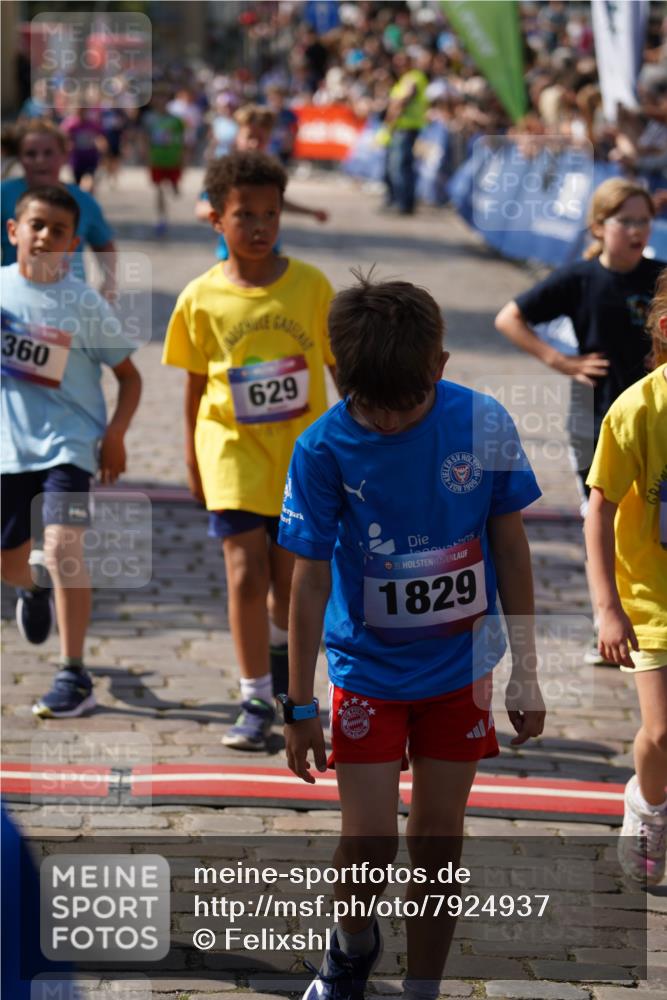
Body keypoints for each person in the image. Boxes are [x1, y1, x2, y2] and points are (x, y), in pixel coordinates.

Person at [278, 273, 545, 999]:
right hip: (365, 670)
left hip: (459, 673)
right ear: (338, 377)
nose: (388, 424)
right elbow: (306, 581)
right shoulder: (322, 447)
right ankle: (350, 945)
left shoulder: (481, 422)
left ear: (439, 368)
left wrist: (526, 669)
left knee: (435, 840)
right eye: (370, 405)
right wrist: (298, 704)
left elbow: (512, 549)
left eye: (406, 405)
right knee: (367, 842)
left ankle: (423, 983)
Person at [162, 151, 335, 751]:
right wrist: (191, 458)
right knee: (243, 570)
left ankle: (290, 683)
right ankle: (255, 694)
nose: (259, 226)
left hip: (300, 460)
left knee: (286, 583)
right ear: (216, 220)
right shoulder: (200, 297)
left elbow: (341, 372)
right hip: (229, 450)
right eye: (244, 215)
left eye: (270, 213)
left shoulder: (312, 286)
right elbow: (191, 384)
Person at [495, 178, 664, 661]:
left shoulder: (661, 277)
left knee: (650, 515)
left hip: (654, 420)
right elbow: (508, 318)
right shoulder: (579, 278)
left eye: (644, 220)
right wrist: (562, 362)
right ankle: (605, 620)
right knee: (603, 516)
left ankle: (646, 610)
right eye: (624, 220)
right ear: (597, 226)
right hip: (594, 419)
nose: (636, 230)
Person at [0, 185, 141, 717]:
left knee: (63, 548)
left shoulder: (83, 302)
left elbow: (129, 377)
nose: (45, 237)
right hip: (9, 450)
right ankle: (32, 589)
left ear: (73, 243)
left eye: (58, 231)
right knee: (11, 563)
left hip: (70, 447)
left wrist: (115, 435)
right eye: (36, 226)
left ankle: (72, 672)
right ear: (13, 231)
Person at [584, 268, 667, 885]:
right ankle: (647, 802)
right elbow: (599, 510)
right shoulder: (637, 409)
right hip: (651, 601)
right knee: (662, 733)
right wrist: (607, 606)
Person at [1, 119, 117, 300]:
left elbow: (104, 245)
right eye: (30, 154)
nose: (40, 160)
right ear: (19, 158)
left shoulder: (83, 201)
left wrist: (109, 283)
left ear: (65, 155)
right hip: (15, 299)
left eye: (49, 153)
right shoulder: (5, 194)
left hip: (69, 302)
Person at [194, 104, 329, 260]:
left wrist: (310, 212)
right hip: (232, 258)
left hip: (269, 255)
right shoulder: (226, 171)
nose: (254, 144)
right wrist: (232, 212)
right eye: (250, 137)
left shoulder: (270, 171)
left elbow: (278, 203)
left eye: (261, 139)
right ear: (237, 135)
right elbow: (201, 209)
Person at [141, 87, 186, 236]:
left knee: (174, 189)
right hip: (157, 159)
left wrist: (183, 158)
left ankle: (175, 185)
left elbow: (183, 140)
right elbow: (145, 138)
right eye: (157, 98)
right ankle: (161, 218)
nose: (160, 101)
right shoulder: (149, 119)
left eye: (163, 98)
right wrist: (146, 156)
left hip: (173, 159)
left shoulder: (176, 120)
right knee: (158, 189)